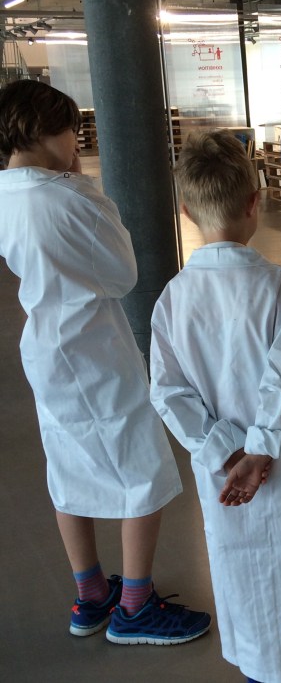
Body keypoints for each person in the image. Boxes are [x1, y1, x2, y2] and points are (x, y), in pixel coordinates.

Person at [0, 79, 211, 644]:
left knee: (67, 466)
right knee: (143, 469)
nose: (77, 142)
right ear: (42, 129)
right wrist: (86, 189)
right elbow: (122, 275)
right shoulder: (65, 197)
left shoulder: (6, 195)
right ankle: (136, 607)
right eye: (71, 130)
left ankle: (91, 594)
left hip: (46, 345)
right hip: (91, 350)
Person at [149, 130, 281, 683]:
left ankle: (268, 672)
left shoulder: (172, 298)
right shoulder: (278, 287)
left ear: (187, 211)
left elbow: (168, 392)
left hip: (227, 475)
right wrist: (262, 449)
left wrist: (227, 451)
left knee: (247, 572)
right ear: (254, 203)